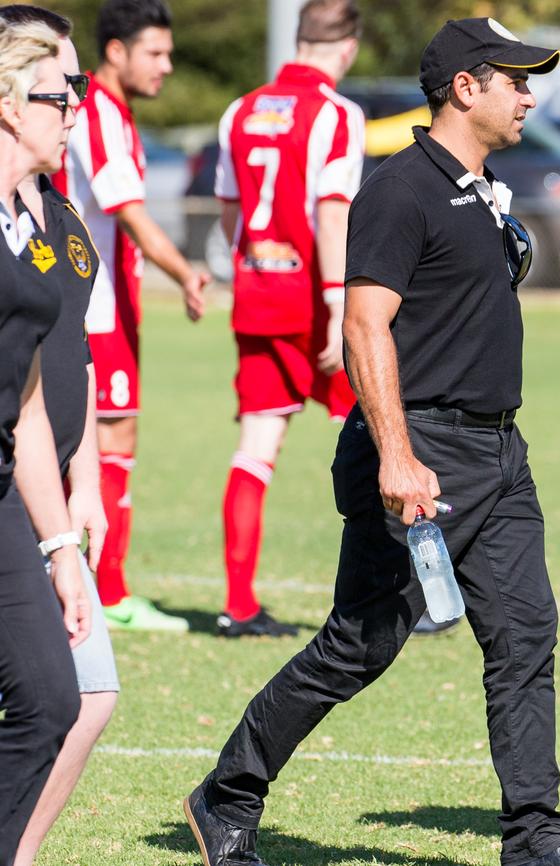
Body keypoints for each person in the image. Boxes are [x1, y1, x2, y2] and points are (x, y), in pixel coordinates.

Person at [183, 18, 560, 866]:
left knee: (526, 635)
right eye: (516, 80)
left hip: (499, 453)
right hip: (420, 449)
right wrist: (397, 452)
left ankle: (535, 835)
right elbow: (363, 326)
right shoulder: (402, 189)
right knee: (361, 644)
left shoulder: (481, 184)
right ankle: (226, 794)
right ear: (467, 87)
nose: (529, 96)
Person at [0, 7, 120, 863]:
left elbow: (39, 389)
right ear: (9, 101)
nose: (77, 106)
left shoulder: (45, 223)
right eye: (61, 91)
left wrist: (67, 534)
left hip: (18, 483)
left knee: (67, 693)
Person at [53, 0, 210, 632]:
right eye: (155, 52)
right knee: (104, 443)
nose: (167, 66)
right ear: (115, 51)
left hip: (112, 304)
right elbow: (130, 213)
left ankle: (97, 585)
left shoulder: (111, 114)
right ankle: (104, 591)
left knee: (110, 443)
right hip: (95, 307)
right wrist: (186, 271)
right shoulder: (99, 115)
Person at [214, 0, 364, 638]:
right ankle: (412, 593)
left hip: (257, 296)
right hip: (315, 304)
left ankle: (238, 605)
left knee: (254, 453)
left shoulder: (241, 110)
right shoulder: (337, 114)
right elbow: (334, 217)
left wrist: (249, 270)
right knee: (382, 434)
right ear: (347, 48)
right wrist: (337, 311)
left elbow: (228, 213)